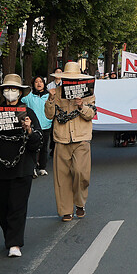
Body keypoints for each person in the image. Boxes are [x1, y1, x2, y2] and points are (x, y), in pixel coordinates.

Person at [0, 74, 42, 257]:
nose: (10, 92)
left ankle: (15, 243)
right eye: (7, 89)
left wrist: (29, 130)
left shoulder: (28, 113)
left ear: (20, 93)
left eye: (14, 89)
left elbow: (37, 143)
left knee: (17, 206)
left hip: (22, 167)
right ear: (2, 92)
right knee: (2, 207)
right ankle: (9, 236)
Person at [47, 61, 96, 221]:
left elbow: (91, 114)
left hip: (82, 137)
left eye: (74, 78)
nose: (71, 81)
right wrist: (51, 99)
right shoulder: (56, 92)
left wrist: (81, 105)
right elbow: (49, 115)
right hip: (61, 138)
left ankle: (80, 203)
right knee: (62, 177)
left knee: (81, 173)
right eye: (68, 78)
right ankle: (66, 210)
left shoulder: (88, 93)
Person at [23, 75, 53, 176]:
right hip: (33, 127)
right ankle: (33, 167)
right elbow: (19, 103)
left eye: (41, 81)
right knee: (33, 148)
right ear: (33, 84)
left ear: (44, 84)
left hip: (46, 126)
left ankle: (42, 167)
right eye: (36, 82)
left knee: (44, 148)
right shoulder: (29, 96)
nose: (39, 84)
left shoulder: (49, 96)